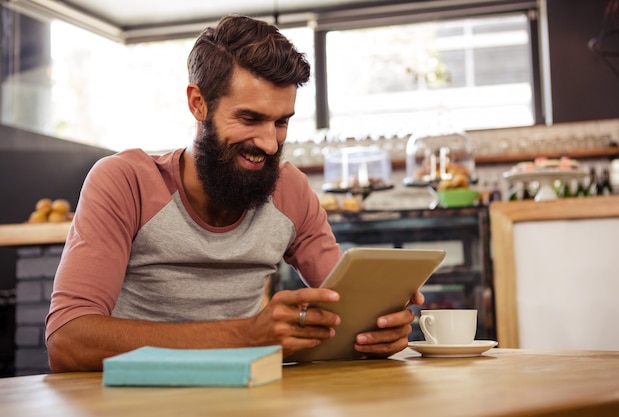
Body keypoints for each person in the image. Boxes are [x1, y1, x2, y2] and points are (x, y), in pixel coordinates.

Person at [45, 15, 422, 372]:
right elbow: (67, 341)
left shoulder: (289, 189)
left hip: (246, 393)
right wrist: (246, 335)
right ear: (198, 103)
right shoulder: (125, 182)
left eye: (281, 122)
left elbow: (344, 309)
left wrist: (378, 329)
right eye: (249, 119)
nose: (270, 144)